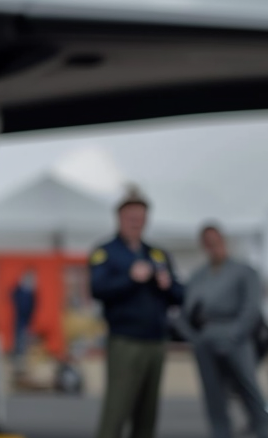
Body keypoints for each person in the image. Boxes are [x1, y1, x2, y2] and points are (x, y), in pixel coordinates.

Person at [89, 184, 185, 438]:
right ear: (120, 217)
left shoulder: (157, 254)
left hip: (155, 341)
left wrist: (167, 285)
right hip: (125, 341)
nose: (136, 222)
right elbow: (97, 288)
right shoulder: (106, 252)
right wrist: (130, 277)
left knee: (148, 413)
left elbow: (180, 295)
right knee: (117, 410)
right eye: (131, 217)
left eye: (141, 218)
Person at [183, 223, 268, 438]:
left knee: (248, 389)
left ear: (222, 240)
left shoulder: (243, 271)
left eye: (215, 239)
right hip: (206, 338)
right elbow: (186, 310)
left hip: (236, 337)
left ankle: (263, 430)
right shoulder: (199, 275)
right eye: (207, 241)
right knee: (214, 395)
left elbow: (252, 307)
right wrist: (194, 337)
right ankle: (220, 433)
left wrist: (235, 334)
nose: (212, 245)